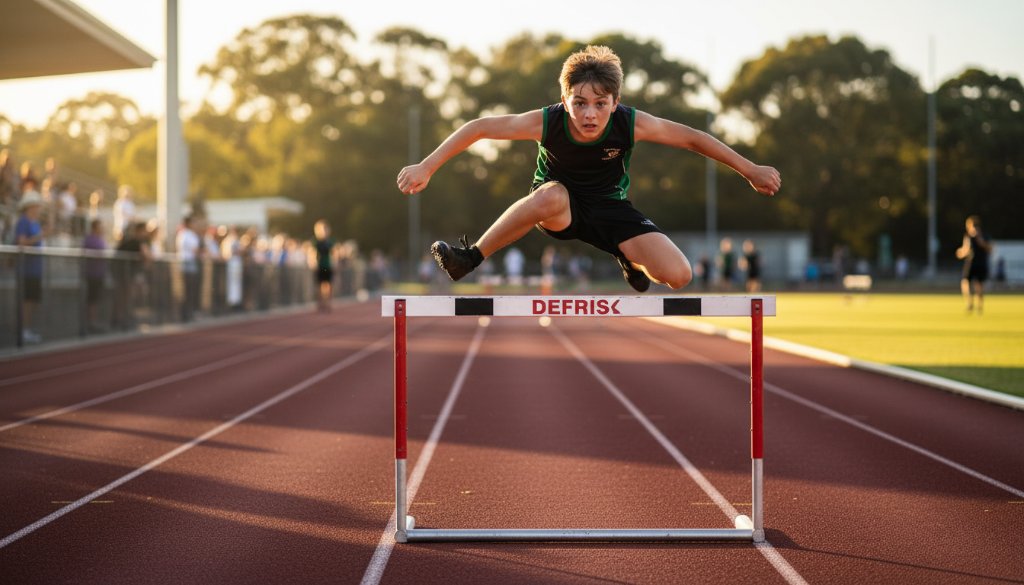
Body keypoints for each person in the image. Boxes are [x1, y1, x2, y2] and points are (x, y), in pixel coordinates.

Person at [397, 45, 780, 291]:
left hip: (610, 208)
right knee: (552, 193)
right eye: (579, 103)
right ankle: (472, 257)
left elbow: (694, 138)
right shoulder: (547, 122)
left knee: (680, 276)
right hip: (558, 207)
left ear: (616, 102)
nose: (589, 113)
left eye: (600, 103)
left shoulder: (631, 123)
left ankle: (630, 258)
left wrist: (749, 169)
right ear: (564, 100)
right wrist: (427, 166)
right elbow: (479, 128)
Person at [14, 186, 47, 343]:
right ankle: (23, 330)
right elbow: (21, 242)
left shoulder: (35, 222)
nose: (38, 208)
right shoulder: (23, 221)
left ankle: (27, 329)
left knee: (32, 300)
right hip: (26, 269)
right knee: (26, 301)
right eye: (36, 205)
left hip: (36, 269)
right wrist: (39, 236)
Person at [955, 215, 992, 314]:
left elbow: (990, 248)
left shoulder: (983, 235)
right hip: (970, 263)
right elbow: (966, 250)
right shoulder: (968, 236)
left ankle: (979, 306)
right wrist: (961, 253)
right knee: (965, 282)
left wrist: (981, 242)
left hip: (980, 263)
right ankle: (970, 303)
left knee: (978, 285)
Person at [82, 218, 108, 332]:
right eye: (99, 226)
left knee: (96, 299)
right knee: (92, 299)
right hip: (92, 274)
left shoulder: (100, 239)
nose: (102, 229)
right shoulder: (90, 239)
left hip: (100, 273)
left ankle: (95, 321)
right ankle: (90, 323)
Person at [311, 219, 335, 313]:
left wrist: (335, 264)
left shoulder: (331, 242)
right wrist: (313, 263)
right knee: (319, 285)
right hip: (319, 266)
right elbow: (312, 253)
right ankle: (320, 304)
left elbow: (334, 254)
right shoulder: (316, 242)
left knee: (328, 285)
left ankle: (328, 303)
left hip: (327, 266)